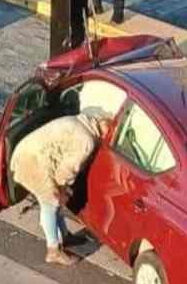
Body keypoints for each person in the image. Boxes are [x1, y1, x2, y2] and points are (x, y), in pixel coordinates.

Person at [10, 109, 113, 265]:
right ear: (103, 129)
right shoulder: (86, 142)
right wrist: (61, 189)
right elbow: (66, 170)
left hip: (29, 154)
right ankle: (53, 251)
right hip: (32, 163)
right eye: (108, 134)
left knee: (56, 202)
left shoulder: (80, 122)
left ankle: (64, 236)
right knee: (51, 202)